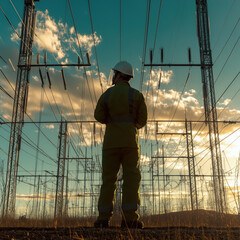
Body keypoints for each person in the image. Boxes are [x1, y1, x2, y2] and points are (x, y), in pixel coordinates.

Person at [94, 61, 148, 229]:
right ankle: (130, 219)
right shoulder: (137, 95)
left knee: (109, 180)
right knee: (131, 180)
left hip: (111, 144)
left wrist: (112, 122)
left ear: (117, 75)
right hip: (130, 144)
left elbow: (98, 116)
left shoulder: (107, 95)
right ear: (129, 77)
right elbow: (142, 120)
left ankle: (103, 219)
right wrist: (131, 127)